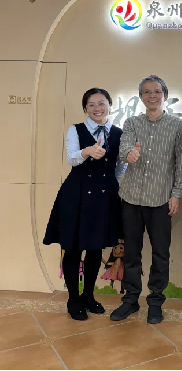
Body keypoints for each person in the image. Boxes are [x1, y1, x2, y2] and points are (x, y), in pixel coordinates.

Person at [110, 75, 182, 325]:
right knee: (131, 253)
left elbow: (181, 163)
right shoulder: (132, 122)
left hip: (161, 199)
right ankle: (130, 300)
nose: (151, 96)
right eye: (146, 92)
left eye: (156, 91)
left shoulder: (177, 125)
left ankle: (156, 302)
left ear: (165, 95)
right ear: (141, 97)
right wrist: (129, 154)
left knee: (160, 254)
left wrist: (176, 194)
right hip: (131, 198)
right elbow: (124, 148)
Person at [44, 88, 127, 321]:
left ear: (109, 105)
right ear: (85, 109)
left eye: (101, 103)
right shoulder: (76, 129)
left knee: (95, 248)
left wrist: (108, 182)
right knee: (72, 247)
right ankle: (73, 299)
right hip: (76, 194)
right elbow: (71, 158)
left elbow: (121, 166)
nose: (97, 108)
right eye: (91, 105)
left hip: (104, 196)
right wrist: (87, 151)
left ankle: (88, 296)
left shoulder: (118, 133)